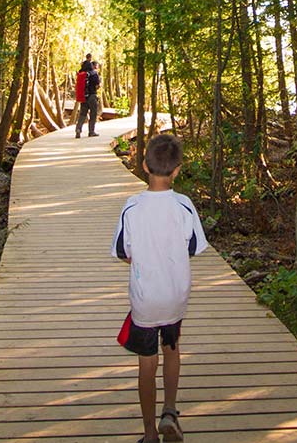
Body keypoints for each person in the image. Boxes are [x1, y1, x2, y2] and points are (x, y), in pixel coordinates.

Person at [110, 133, 208, 443]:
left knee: (147, 363)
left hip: (145, 300)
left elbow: (123, 252)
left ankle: (150, 433)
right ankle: (170, 411)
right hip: (174, 297)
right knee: (173, 350)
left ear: (143, 165)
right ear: (178, 169)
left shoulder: (132, 207)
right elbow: (193, 247)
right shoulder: (184, 205)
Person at [75, 58, 100, 138]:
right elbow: (97, 85)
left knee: (82, 114)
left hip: (84, 97)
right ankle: (91, 131)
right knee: (93, 114)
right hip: (92, 96)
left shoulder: (81, 74)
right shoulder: (94, 74)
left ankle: (78, 129)